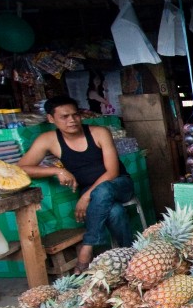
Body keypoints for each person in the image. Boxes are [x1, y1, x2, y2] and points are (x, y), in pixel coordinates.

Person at [18, 95, 134, 271]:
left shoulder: (99, 132)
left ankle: (87, 248)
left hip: (119, 184)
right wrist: (57, 170)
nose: (72, 120)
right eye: (64, 117)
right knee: (115, 211)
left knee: (103, 190)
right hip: (92, 191)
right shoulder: (48, 140)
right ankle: (130, 255)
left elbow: (112, 172)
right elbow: (22, 168)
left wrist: (86, 197)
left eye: (75, 115)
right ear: (51, 119)